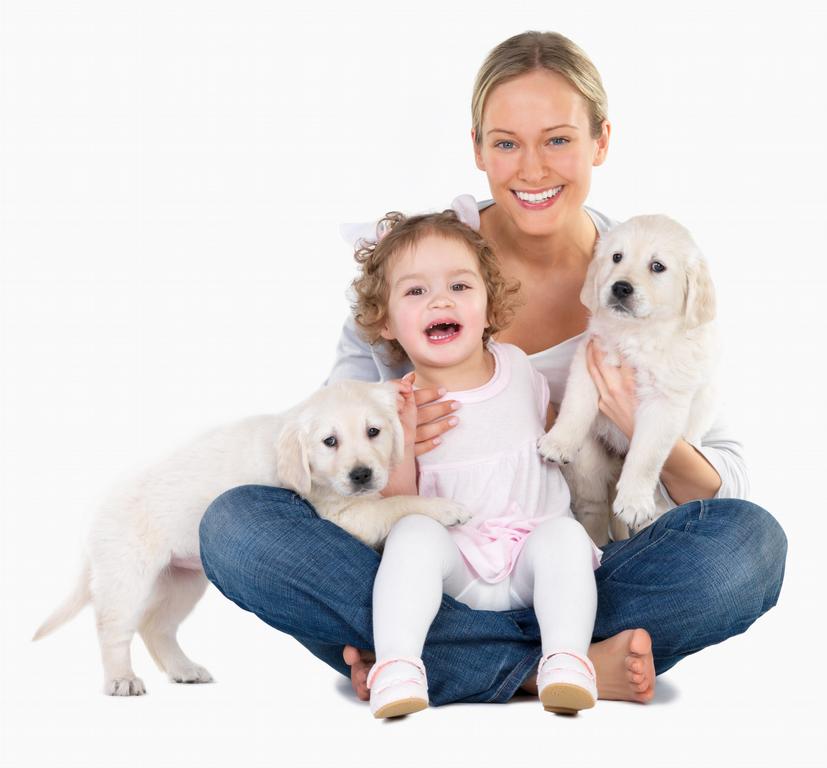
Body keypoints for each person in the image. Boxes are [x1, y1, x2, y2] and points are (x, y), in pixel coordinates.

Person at [198, 30, 787, 707]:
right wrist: (394, 445)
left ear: (600, 141)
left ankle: (424, 660)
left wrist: (637, 425)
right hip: (426, 558)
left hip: (578, 562)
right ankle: (554, 666)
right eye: (505, 143)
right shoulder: (418, 265)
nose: (531, 169)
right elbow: (331, 441)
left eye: (558, 139)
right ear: (476, 149)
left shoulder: (651, 262)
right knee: (237, 527)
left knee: (748, 547)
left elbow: (727, 481)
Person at [350, 208, 605, 718]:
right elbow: (395, 507)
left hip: (534, 563)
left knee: (567, 539)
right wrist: (403, 434)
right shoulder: (390, 405)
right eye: (415, 292)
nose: (440, 300)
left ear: (490, 307)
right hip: (454, 571)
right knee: (412, 536)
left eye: (460, 287)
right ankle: (400, 664)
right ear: (385, 322)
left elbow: (563, 443)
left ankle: (565, 657)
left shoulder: (518, 366)